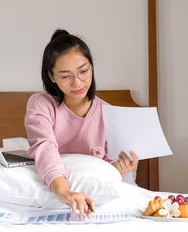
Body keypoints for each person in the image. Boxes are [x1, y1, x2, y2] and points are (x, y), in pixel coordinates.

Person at [24, 29, 138, 219]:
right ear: (51, 76)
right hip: (54, 192)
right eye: (65, 76)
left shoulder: (109, 113)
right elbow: (45, 147)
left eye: (83, 71)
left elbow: (106, 172)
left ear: (92, 67)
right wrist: (64, 192)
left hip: (96, 199)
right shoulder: (41, 104)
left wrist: (120, 167)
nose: (77, 82)